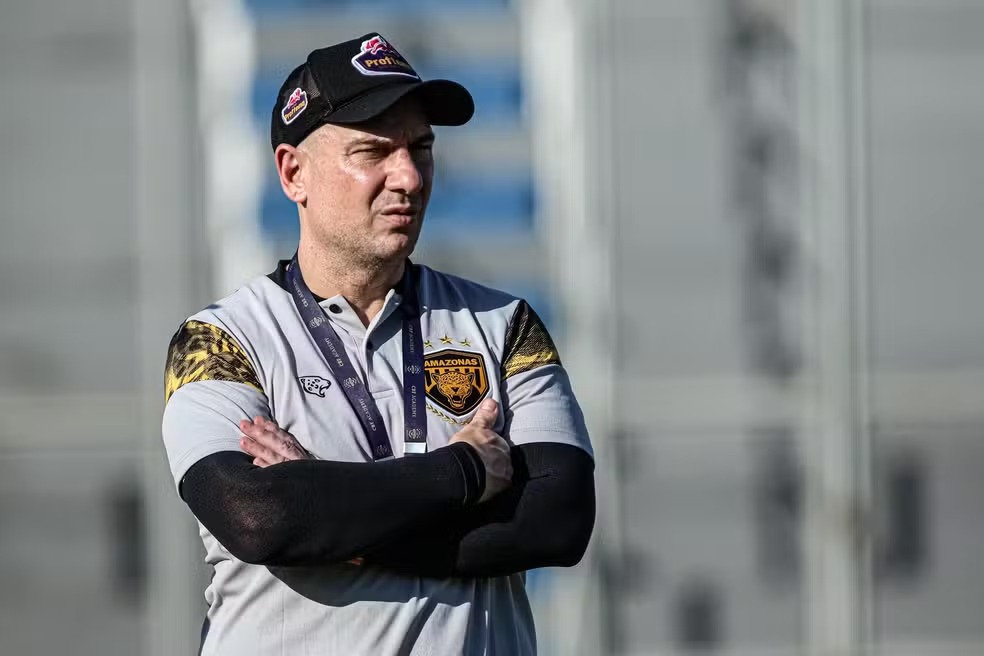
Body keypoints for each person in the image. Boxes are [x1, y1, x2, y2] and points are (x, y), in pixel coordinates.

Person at [161, 33, 595, 656]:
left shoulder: (505, 324)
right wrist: (467, 470)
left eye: (421, 148)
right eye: (373, 151)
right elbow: (259, 518)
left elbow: (558, 521)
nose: (409, 177)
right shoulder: (219, 340)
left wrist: (328, 515)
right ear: (293, 173)